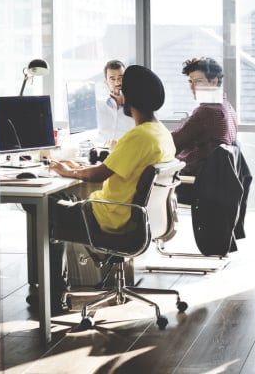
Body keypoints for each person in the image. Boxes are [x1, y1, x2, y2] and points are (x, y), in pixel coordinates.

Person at [34, 65, 176, 314]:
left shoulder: (138, 136)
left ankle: (52, 294)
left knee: (41, 205)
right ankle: (55, 288)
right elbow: (113, 167)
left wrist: (69, 171)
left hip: (109, 218)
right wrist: (77, 169)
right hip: (138, 218)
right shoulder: (161, 133)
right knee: (63, 199)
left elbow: (99, 174)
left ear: (128, 98)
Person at [171, 57, 238, 203]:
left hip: (195, 184)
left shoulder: (207, 111)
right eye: (190, 81)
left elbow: (173, 142)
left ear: (213, 81)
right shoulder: (227, 106)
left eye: (198, 81)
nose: (192, 88)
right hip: (214, 183)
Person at [95, 59, 136, 150]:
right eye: (112, 79)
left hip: (127, 152)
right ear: (106, 82)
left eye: (121, 78)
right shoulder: (99, 107)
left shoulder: (137, 109)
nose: (118, 83)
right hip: (102, 151)